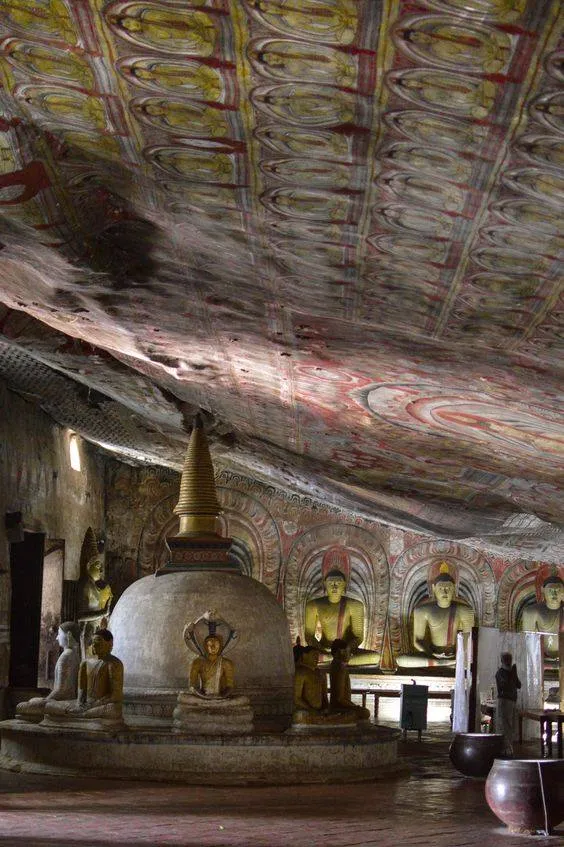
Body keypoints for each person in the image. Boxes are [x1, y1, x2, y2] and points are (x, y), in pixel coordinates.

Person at [397, 564, 474, 667]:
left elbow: (468, 640)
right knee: (400, 660)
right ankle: (440, 663)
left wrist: (459, 657)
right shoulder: (422, 610)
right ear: (433, 588)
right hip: (431, 655)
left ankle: (447, 662)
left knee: (469, 661)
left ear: (454, 588)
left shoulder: (464, 610)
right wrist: (432, 653)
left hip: (455, 656)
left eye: (448, 588)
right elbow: (417, 641)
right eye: (441, 588)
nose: (445, 591)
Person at [44, 629, 123, 724]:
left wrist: (92, 705)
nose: (94, 646)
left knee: (114, 710)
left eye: (98, 643)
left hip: (101, 705)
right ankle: (80, 714)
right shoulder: (85, 663)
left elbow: (116, 695)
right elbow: (81, 690)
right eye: (93, 643)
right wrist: (80, 704)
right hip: (85, 705)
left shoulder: (114, 664)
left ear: (110, 644)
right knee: (49, 706)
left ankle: (79, 714)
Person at [304, 567, 380, 666]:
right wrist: (321, 650)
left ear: (344, 584)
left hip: (346, 651)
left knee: (375, 657)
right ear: (325, 584)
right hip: (324, 649)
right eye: (331, 583)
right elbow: (309, 635)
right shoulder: (313, 605)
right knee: (304, 655)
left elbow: (358, 636)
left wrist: (347, 649)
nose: (334, 587)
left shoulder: (355, 605)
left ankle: (333, 659)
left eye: (338, 583)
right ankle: (335, 659)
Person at [16, 621, 80, 721]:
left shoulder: (66, 656)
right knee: (33, 701)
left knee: (21, 706)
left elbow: (61, 690)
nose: (57, 637)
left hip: (60, 702)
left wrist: (47, 700)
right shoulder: (75, 654)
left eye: (59, 634)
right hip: (68, 701)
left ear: (69, 635)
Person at [521, 574, 563, 662]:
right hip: (540, 657)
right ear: (543, 591)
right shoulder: (532, 612)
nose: (554, 594)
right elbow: (528, 643)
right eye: (550, 590)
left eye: (558, 590)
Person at [329, 639, 370, 721]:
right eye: (348, 651)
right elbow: (339, 699)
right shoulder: (340, 668)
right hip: (340, 708)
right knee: (365, 713)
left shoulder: (335, 665)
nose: (351, 654)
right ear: (341, 652)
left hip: (338, 706)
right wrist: (355, 707)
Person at [189, 634, 234, 698]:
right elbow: (192, 686)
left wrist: (221, 696)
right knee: (182, 698)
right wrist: (204, 696)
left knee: (242, 700)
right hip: (203, 697)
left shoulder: (226, 663)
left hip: (220, 697)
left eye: (216, 645)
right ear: (205, 646)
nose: (213, 647)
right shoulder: (197, 662)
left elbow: (230, 686)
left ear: (220, 646)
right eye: (210, 645)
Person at [495, 652, 521, 756]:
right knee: (506, 725)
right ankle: (507, 747)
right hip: (508, 700)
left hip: (508, 700)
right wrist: (512, 674)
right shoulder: (502, 672)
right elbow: (505, 685)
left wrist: (513, 674)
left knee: (506, 725)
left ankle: (507, 748)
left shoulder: (503, 672)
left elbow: (517, 685)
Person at [293, 646, 328, 719]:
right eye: (314, 655)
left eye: (318, 655)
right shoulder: (300, 672)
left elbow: (324, 695)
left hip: (320, 711)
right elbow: (296, 698)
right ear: (305, 655)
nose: (317, 658)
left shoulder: (320, 673)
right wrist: (311, 710)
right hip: (305, 712)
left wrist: (326, 708)